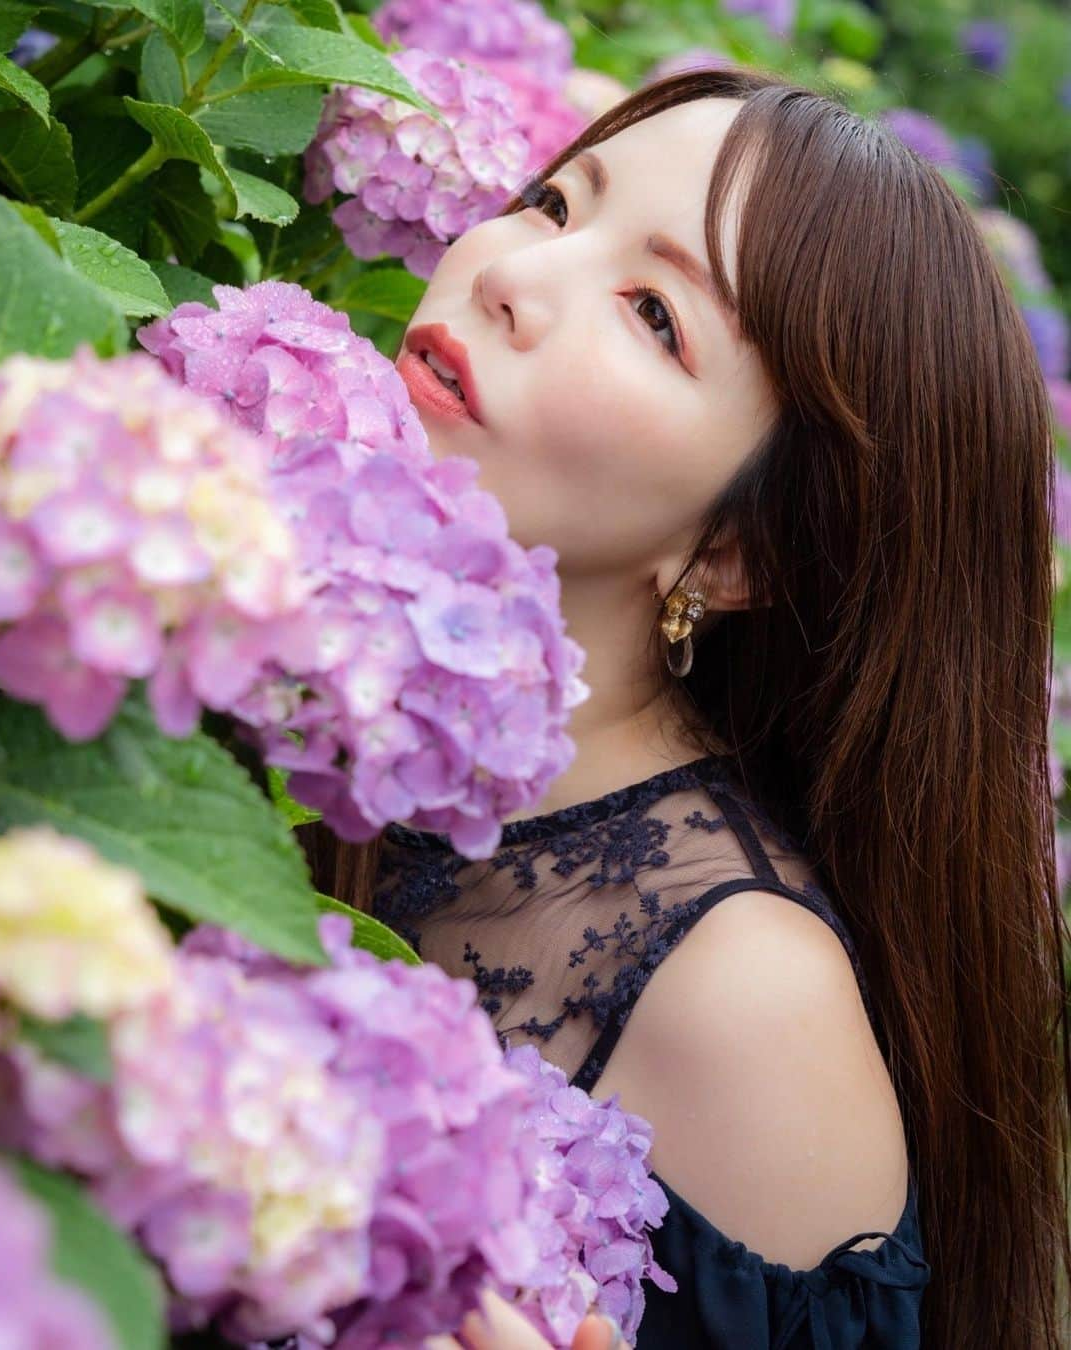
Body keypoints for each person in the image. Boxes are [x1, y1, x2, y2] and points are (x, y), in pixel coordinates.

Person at [301, 65, 1071, 1348]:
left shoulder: (741, 1004)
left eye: (654, 314)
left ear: (737, 556)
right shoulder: (256, 622)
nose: (507, 273)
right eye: (554, 204)